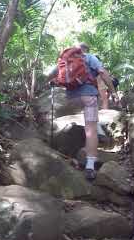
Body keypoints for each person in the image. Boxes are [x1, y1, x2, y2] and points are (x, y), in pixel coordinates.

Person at [46, 42, 120, 180]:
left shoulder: (66, 59)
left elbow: (51, 76)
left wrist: (50, 82)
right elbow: (102, 72)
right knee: (90, 128)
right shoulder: (91, 58)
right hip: (88, 98)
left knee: (87, 119)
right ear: (86, 49)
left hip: (71, 100)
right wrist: (113, 92)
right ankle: (90, 166)